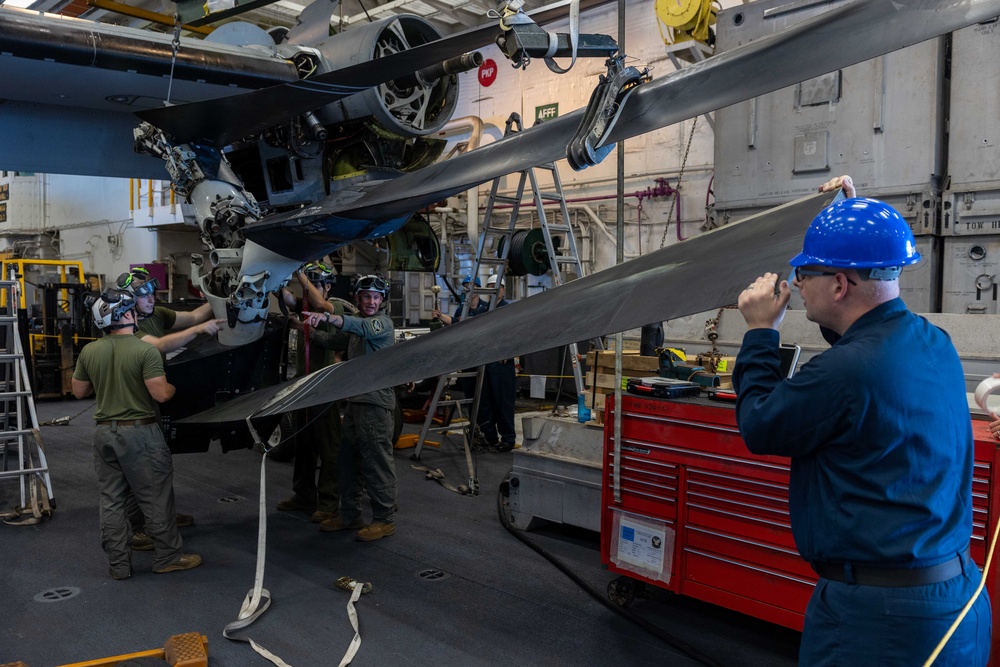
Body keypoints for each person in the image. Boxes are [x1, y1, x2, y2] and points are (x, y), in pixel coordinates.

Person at [733, 197, 991, 666]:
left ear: (839, 284)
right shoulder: (932, 341)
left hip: (882, 620)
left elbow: (758, 424)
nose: (795, 284)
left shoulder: (844, 372)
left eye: (804, 273)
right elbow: (860, 343)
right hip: (956, 599)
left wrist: (759, 332)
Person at [72, 289, 201, 579]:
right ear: (126, 315)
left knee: (112, 500)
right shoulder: (145, 350)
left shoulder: (90, 350)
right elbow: (161, 394)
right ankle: (167, 556)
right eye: (132, 310)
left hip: (104, 434)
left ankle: (118, 565)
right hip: (140, 434)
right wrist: (174, 387)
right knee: (155, 497)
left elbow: (79, 391)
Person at [116, 266, 223, 546]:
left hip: (153, 404)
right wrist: (199, 330)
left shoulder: (157, 314)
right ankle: (139, 528)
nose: (152, 299)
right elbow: (159, 345)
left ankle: (160, 518)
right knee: (139, 469)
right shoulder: (127, 328)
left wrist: (219, 294)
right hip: (136, 406)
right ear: (129, 300)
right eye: (144, 295)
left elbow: (196, 315)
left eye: (153, 293)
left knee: (159, 465)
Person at [304, 274, 397, 541]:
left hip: (375, 404)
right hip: (356, 403)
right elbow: (335, 342)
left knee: (377, 463)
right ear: (359, 298)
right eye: (366, 296)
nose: (371, 301)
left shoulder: (382, 324)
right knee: (347, 462)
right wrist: (303, 327)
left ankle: (384, 519)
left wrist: (329, 318)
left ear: (382, 301)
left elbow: (360, 327)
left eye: (376, 297)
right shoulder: (360, 325)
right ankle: (350, 514)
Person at [275, 262, 349, 526]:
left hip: (325, 390)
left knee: (328, 448)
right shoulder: (304, 306)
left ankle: (329, 503)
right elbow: (286, 298)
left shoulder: (334, 308)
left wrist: (300, 275)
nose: (308, 292)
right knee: (304, 446)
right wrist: (274, 278)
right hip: (303, 389)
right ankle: (304, 495)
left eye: (316, 285)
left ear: (328, 287)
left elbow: (321, 306)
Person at [476, 274, 517, 453]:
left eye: (496, 287)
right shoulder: (484, 310)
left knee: (503, 401)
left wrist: (510, 351)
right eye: (490, 287)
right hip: (486, 361)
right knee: (485, 402)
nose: (494, 290)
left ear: (502, 289)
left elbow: (517, 334)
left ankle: (508, 438)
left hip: (502, 364)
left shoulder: (509, 310)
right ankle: (489, 436)